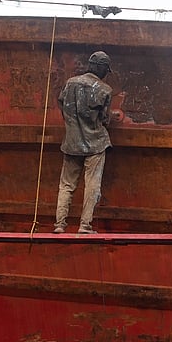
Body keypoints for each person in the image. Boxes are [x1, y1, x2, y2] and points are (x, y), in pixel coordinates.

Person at [54, 51, 114, 234]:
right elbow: (104, 119)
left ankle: (60, 225)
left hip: (71, 143)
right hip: (95, 144)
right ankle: (85, 226)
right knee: (92, 185)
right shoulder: (105, 90)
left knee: (66, 185)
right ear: (103, 69)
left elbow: (62, 104)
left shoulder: (70, 83)